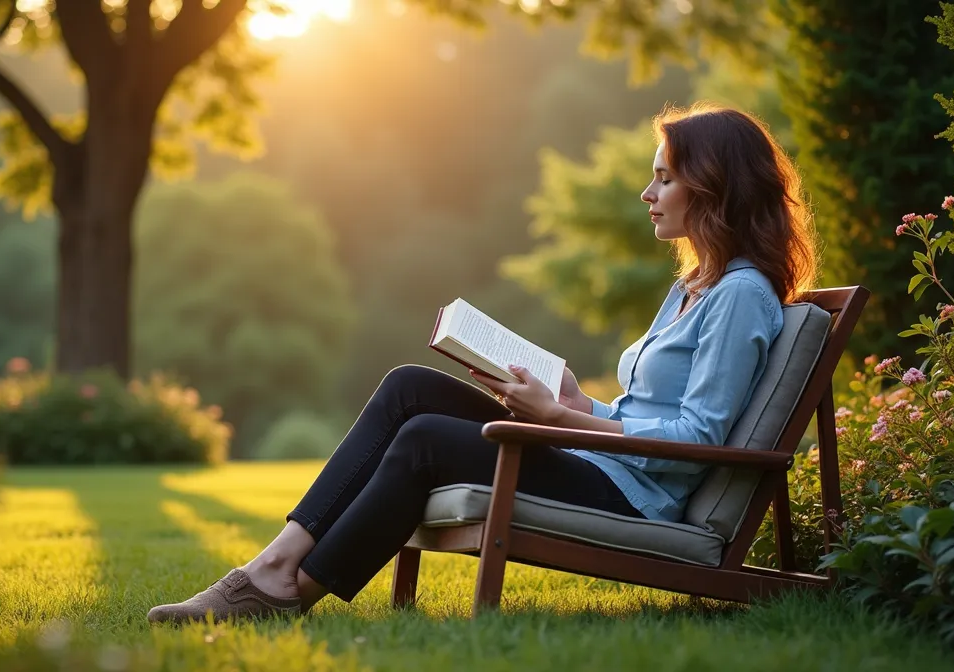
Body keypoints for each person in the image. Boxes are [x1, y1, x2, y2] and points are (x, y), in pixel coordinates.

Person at [146, 103, 819, 624]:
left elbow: (698, 442)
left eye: (665, 178)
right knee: (409, 387)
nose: (648, 192)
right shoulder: (692, 286)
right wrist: (581, 406)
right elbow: (648, 417)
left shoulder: (739, 297)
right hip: (606, 462)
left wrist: (557, 418)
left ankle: (288, 591)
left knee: (428, 441)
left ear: (711, 187)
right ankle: (276, 564)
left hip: (635, 499)